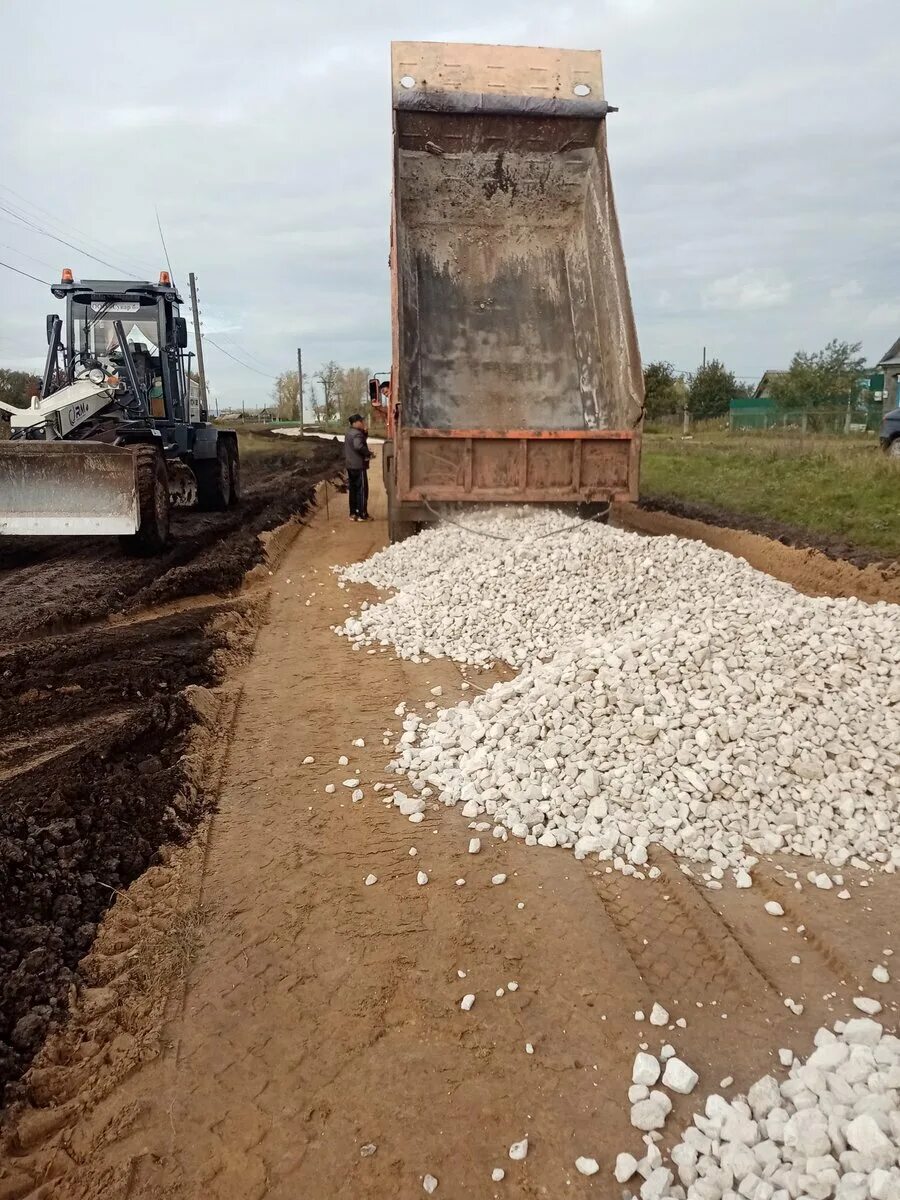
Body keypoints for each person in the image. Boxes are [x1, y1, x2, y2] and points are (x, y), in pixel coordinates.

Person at [344, 413, 373, 521]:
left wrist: (365, 433)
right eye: (361, 421)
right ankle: (362, 514)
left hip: (350, 465)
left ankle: (353, 513)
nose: (363, 423)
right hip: (358, 466)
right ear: (355, 423)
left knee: (353, 490)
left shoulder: (349, 432)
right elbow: (358, 446)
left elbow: (358, 442)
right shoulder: (357, 434)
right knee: (362, 490)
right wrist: (368, 453)